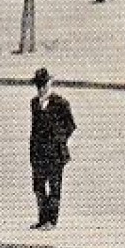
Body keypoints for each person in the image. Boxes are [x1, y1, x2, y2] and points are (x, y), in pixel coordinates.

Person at [28, 68, 75, 230]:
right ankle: (42, 218)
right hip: (38, 153)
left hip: (55, 153)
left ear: (50, 83)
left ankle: (51, 221)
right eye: (38, 85)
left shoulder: (61, 103)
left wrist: (58, 140)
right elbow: (34, 128)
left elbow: (70, 126)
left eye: (44, 85)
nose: (41, 89)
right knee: (38, 187)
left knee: (54, 187)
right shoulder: (34, 103)